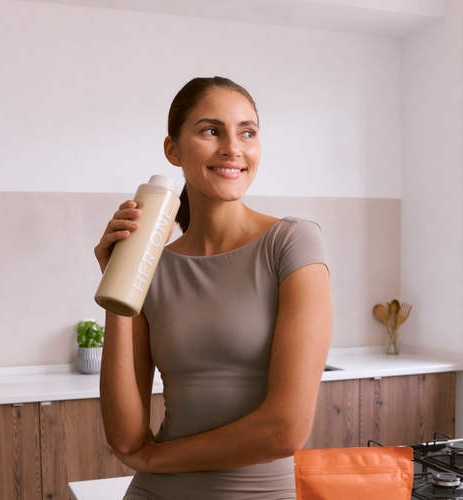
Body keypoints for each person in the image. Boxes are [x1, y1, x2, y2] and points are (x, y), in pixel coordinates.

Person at [95, 76, 333, 500]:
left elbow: (285, 431)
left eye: (247, 132)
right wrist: (117, 286)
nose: (233, 148)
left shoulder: (292, 243)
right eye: (211, 130)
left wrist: (154, 459)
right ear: (172, 149)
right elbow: (125, 438)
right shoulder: (151, 267)